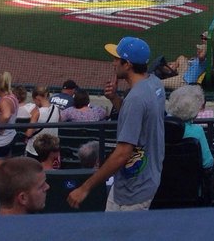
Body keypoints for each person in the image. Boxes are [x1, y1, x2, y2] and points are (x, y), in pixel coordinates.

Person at [68, 36, 165, 211]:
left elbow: (122, 153)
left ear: (127, 65)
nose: (113, 63)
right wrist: (115, 98)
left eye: (116, 59)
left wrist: (85, 187)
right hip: (143, 177)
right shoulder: (154, 83)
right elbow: (137, 118)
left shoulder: (136, 98)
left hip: (134, 188)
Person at [165, 85, 214, 170]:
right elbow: (207, 163)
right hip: (192, 177)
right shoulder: (197, 130)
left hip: (164, 176)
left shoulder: (160, 128)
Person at [0, 72, 19, 168]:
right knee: (7, 167)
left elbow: (6, 115)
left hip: (2, 140)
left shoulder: (4, 101)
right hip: (10, 136)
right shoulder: (12, 96)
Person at [24, 86, 61, 158]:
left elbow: (29, 133)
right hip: (51, 148)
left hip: (35, 150)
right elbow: (59, 121)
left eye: (34, 100)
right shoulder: (57, 109)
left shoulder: (37, 113)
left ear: (37, 98)